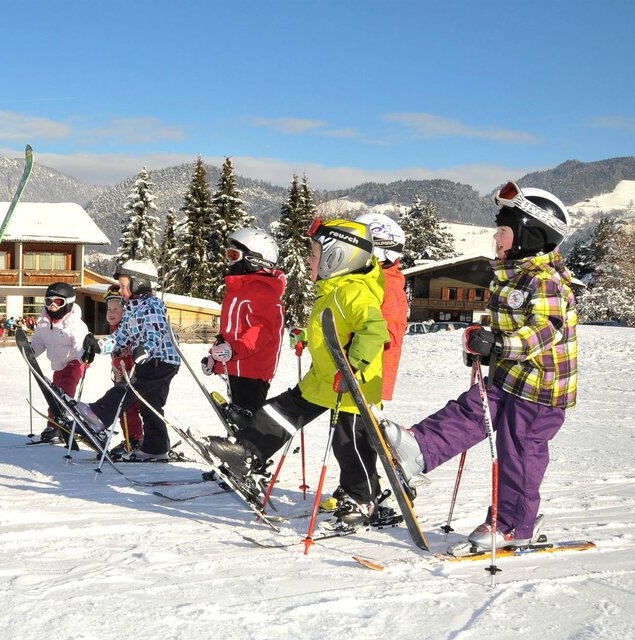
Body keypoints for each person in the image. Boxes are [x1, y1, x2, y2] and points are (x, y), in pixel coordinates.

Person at [382, 182, 577, 550]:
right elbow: (514, 328)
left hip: (540, 390)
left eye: (503, 230)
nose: (496, 237)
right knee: (473, 409)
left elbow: (545, 330)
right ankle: (419, 447)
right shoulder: (511, 276)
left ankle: (514, 526)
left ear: (530, 234)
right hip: (510, 376)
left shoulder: (545, 281)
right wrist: (486, 348)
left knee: (518, 451)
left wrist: (501, 344)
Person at [208, 219, 391, 519]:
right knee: (279, 411)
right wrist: (307, 336)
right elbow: (335, 329)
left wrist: (353, 366)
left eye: (315, 254)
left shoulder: (355, 292)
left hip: (354, 385)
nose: (308, 260)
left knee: (350, 444)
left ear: (337, 257)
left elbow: (373, 330)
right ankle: (247, 452)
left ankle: (362, 498)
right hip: (323, 379)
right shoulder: (331, 290)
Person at [323, 213, 407, 524]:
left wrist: (356, 349)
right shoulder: (373, 280)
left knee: (351, 439)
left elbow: (389, 334)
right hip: (356, 375)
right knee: (349, 438)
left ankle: (362, 496)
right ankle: (359, 488)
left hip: (367, 376)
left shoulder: (388, 285)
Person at [79, 259, 181, 461]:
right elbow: (121, 337)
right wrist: (99, 346)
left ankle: (99, 415)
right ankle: (156, 448)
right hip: (150, 361)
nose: (121, 291)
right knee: (150, 405)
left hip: (161, 361)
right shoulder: (131, 308)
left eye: (124, 286)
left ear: (139, 284)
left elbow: (155, 333)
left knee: (128, 389)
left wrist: (144, 349)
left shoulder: (152, 305)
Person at [201, 227, 286, 425]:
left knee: (247, 417)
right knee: (237, 417)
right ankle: (239, 438)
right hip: (235, 367)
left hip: (253, 371)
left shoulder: (263, 293)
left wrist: (233, 350)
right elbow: (228, 333)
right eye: (228, 255)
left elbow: (260, 331)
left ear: (255, 260)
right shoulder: (238, 291)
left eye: (234, 255)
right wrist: (214, 357)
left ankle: (250, 442)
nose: (229, 261)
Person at [29, 282, 90, 443]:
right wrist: (32, 351)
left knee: (64, 391)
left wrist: (84, 356)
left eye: (58, 302)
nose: (52, 306)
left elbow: (79, 344)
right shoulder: (43, 322)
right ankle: (54, 425)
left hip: (74, 362)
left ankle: (60, 422)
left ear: (68, 303)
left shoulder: (75, 324)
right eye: (48, 301)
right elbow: (39, 341)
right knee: (54, 394)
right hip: (57, 365)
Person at [103, 285, 144, 454]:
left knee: (128, 408)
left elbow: (134, 352)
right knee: (124, 409)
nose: (111, 313)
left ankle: (136, 440)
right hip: (121, 377)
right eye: (109, 309)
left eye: (116, 309)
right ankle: (133, 438)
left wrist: (123, 362)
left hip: (133, 378)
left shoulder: (128, 329)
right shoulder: (115, 330)